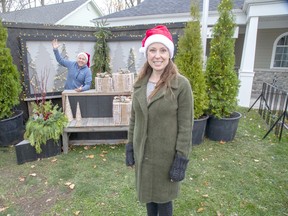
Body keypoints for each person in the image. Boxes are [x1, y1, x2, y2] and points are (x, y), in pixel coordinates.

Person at [125, 25, 194, 216]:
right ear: (146, 53)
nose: (158, 55)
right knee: (148, 197)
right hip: (143, 153)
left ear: (169, 53)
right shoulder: (140, 84)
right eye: (152, 50)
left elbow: (186, 126)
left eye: (163, 50)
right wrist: (130, 146)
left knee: (163, 201)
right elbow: (134, 119)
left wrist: (181, 159)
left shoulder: (181, 85)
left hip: (166, 157)